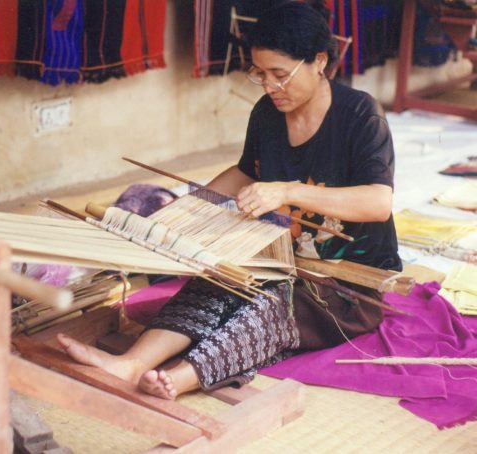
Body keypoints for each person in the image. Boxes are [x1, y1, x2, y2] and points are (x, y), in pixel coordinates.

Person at [57, 1, 401, 400]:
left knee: (272, 306)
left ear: (318, 61)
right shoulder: (268, 113)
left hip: (348, 285)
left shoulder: (360, 115)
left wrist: (287, 190)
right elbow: (245, 173)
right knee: (217, 284)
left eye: (280, 74)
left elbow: (378, 202)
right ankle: (132, 362)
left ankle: (180, 378)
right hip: (285, 260)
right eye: (260, 74)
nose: (271, 86)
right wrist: (184, 211)